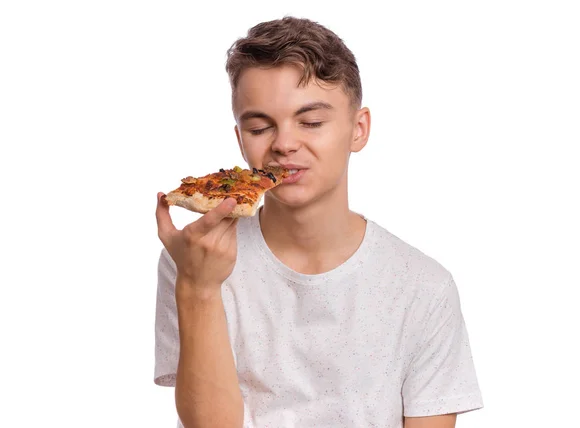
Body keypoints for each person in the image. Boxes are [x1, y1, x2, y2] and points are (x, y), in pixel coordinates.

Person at [154, 16, 483, 428]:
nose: (284, 144)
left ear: (358, 129)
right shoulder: (193, 258)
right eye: (259, 127)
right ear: (240, 140)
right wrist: (198, 288)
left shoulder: (423, 287)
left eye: (310, 122)